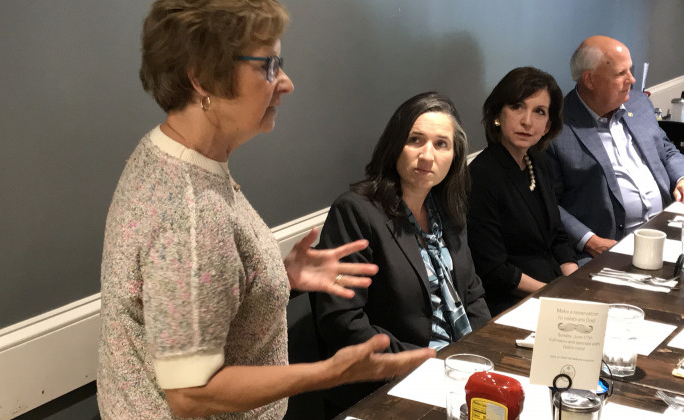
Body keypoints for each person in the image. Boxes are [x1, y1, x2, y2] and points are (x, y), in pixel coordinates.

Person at [96, 1, 434, 419]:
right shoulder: (190, 209)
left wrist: (276, 276)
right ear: (201, 77)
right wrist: (330, 372)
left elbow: (188, 288)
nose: (286, 82)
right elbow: (192, 394)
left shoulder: (169, 154)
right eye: (268, 65)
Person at [312, 92, 491, 414]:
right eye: (415, 140)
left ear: (454, 155)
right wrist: (431, 362)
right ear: (395, 145)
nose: (427, 155)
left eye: (441, 144)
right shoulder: (356, 211)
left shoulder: (447, 209)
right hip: (390, 385)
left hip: (459, 373)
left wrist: (479, 353)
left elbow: (472, 294)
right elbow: (343, 321)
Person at [546, 35, 684, 263]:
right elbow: (549, 203)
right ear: (589, 80)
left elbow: (666, 150)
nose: (632, 79)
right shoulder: (556, 127)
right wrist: (589, 240)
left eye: (630, 70)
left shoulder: (638, 104)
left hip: (668, 230)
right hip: (609, 247)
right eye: (621, 73)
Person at [466, 67, 578, 316]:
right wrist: (555, 292)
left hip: (554, 290)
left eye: (539, 112)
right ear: (498, 114)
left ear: (548, 125)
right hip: (511, 304)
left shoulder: (539, 163)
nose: (527, 121)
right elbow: (493, 268)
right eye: (517, 106)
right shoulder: (482, 175)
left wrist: (575, 282)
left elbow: (557, 235)